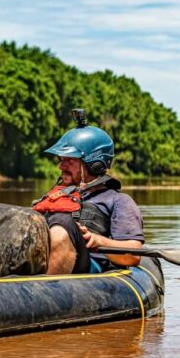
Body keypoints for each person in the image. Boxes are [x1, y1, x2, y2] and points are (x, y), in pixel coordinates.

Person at [33, 111, 144, 275]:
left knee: (63, 222)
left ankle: (41, 289)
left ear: (94, 165)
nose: (61, 167)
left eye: (69, 161)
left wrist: (98, 241)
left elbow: (134, 256)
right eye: (61, 160)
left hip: (87, 268)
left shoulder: (119, 201)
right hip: (39, 262)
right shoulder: (56, 196)